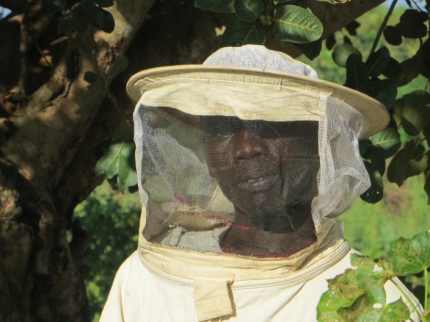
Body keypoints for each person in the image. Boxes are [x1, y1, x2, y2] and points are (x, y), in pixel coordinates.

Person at [100, 45, 421, 321]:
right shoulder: (143, 281)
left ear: (319, 144)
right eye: (223, 130)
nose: (246, 148)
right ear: (207, 153)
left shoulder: (372, 299)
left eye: (271, 124)